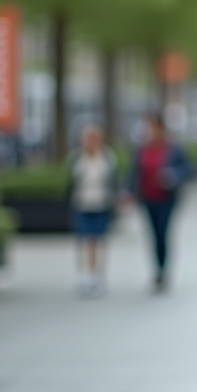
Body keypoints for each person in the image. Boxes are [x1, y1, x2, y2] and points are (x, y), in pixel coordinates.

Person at [129, 114, 192, 292]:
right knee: (153, 235)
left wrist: (174, 175)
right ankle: (156, 269)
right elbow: (134, 174)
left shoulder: (174, 149)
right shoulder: (141, 150)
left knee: (163, 233)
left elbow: (188, 168)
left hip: (167, 199)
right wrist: (128, 192)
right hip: (148, 199)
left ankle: (163, 270)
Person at [67, 124, 120, 296]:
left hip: (101, 204)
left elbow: (113, 181)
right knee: (84, 240)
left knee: (97, 240)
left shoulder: (107, 158)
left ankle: (96, 274)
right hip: (81, 203)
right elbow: (70, 182)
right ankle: (85, 274)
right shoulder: (76, 158)